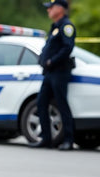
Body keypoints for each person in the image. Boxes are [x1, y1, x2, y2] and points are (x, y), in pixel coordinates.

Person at [30, 0, 76, 150]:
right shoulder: (55, 27)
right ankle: (46, 139)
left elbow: (67, 48)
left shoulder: (66, 26)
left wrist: (51, 61)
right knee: (41, 103)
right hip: (49, 73)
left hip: (60, 72)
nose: (48, 10)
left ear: (60, 9)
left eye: (50, 8)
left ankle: (69, 141)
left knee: (62, 104)